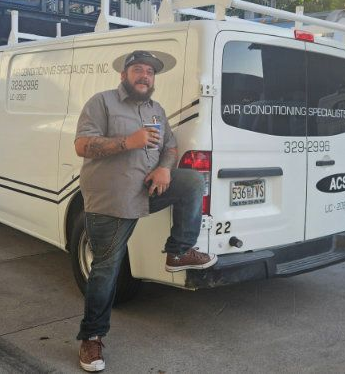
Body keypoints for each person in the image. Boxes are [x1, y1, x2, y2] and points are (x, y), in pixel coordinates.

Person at [74, 50, 218, 372]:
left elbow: (169, 145)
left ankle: (178, 252)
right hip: (111, 199)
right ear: (124, 74)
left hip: (147, 191)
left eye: (150, 72)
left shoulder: (156, 109)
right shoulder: (102, 102)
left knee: (192, 181)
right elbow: (82, 145)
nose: (145, 76)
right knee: (105, 269)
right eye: (138, 70)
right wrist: (128, 142)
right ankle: (92, 337)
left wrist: (166, 169)